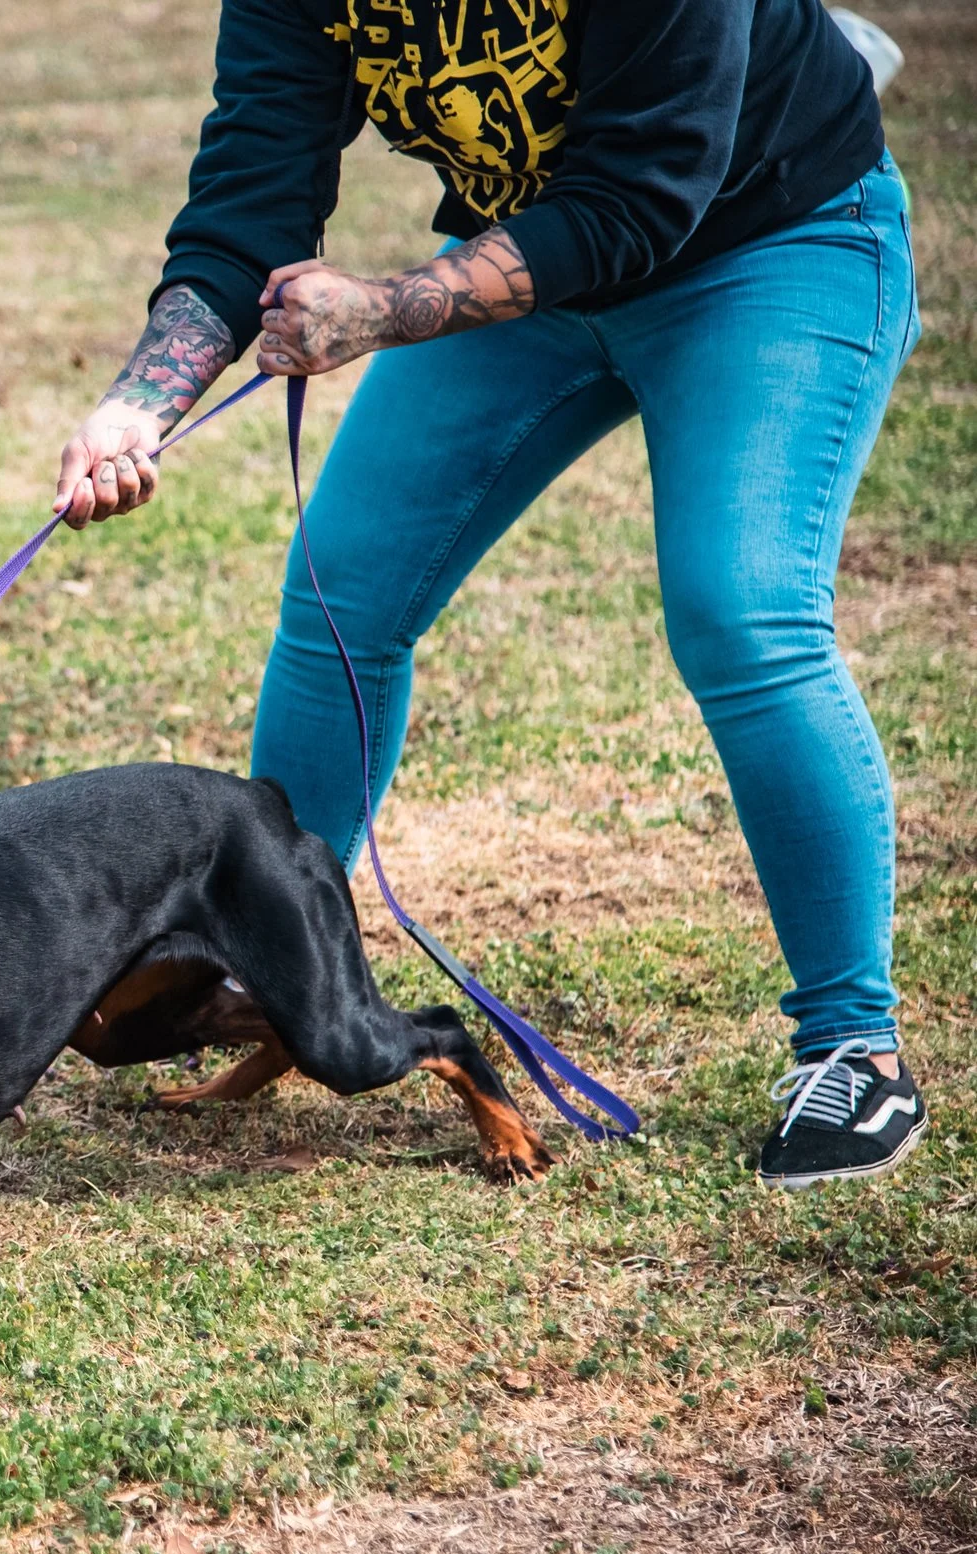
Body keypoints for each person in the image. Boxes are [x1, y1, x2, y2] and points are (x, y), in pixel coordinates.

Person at [53, 0, 924, 1187]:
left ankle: (854, 1048)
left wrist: (380, 309)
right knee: (342, 591)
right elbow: (248, 201)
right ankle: (284, 965)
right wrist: (139, 402)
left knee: (743, 611)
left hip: (774, 243)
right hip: (540, 265)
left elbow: (640, 196)